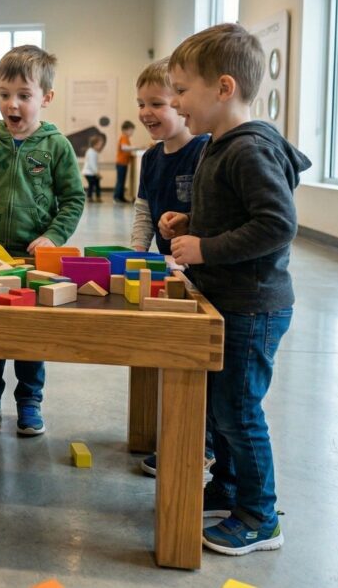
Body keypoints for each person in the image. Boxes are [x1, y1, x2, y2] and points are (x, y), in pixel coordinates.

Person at [160, 23, 311, 556]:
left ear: (223, 88)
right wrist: (191, 222)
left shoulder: (249, 150)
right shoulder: (218, 145)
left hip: (253, 306)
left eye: (181, 90)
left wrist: (204, 249)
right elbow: (233, 213)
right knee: (220, 406)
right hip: (228, 300)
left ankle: (260, 514)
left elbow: (275, 225)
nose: (175, 102)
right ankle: (225, 489)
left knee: (239, 412)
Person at [0, 45, 85, 436]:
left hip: (32, 260)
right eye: (4, 94)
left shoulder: (56, 146)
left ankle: (29, 401)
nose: (12, 104)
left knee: (30, 333)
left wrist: (53, 236)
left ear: (46, 98)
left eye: (24, 96)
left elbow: (73, 199)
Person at [128, 56, 213, 479]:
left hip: (199, 269)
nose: (146, 113)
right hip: (166, 268)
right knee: (163, 351)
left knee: (193, 362)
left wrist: (188, 224)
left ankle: (199, 446)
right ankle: (176, 437)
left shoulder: (204, 150)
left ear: (180, 104)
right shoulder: (151, 157)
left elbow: (214, 213)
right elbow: (144, 210)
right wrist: (135, 253)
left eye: (157, 103)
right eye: (141, 103)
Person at [113, 120, 138, 202]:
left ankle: (121, 196)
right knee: (120, 181)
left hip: (123, 163)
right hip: (121, 163)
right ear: (125, 130)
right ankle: (117, 197)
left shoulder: (125, 138)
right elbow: (124, 148)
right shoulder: (123, 137)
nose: (132, 133)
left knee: (122, 181)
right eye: (131, 130)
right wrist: (135, 147)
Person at [82, 134, 104, 202]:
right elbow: (92, 164)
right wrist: (97, 173)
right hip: (89, 172)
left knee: (96, 183)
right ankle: (90, 197)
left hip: (92, 172)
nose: (100, 146)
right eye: (99, 144)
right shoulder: (91, 152)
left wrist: (97, 172)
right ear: (95, 144)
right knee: (92, 184)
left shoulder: (94, 152)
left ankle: (97, 197)